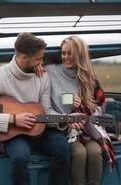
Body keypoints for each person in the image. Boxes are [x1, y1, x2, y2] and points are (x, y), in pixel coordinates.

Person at [0, 32, 70, 185]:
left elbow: (46, 110)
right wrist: (13, 119)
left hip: (39, 130)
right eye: (38, 58)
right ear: (23, 58)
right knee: (20, 157)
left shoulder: (43, 77)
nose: (42, 62)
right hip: (14, 132)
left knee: (63, 148)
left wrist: (64, 120)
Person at [37, 35, 114, 185]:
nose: (66, 57)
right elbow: (54, 103)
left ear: (79, 54)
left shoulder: (89, 78)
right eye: (63, 53)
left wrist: (85, 107)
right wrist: (37, 66)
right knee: (79, 153)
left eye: (70, 53)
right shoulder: (50, 72)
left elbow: (100, 107)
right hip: (64, 129)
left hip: (88, 128)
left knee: (95, 152)